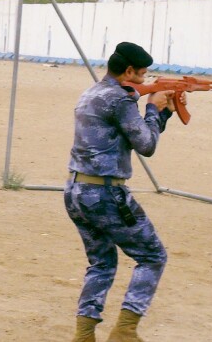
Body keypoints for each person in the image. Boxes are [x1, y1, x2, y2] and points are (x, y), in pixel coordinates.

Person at [66, 42, 178, 342]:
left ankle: (84, 335)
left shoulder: (92, 92)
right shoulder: (121, 100)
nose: (144, 80)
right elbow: (146, 145)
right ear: (128, 71)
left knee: (102, 263)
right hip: (105, 193)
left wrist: (159, 112)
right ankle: (125, 331)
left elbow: (131, 135)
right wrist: (154, 108)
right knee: (153, 256)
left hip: (76, 190)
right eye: (141, 75)